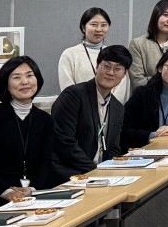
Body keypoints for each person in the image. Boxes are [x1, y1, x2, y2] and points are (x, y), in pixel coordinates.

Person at [0, 56, 56, 206]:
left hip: (33, 195)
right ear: (6, 83)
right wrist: (5, 191)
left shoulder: (45, 120)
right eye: (17, 77)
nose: (25, 81)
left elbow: (45, 162)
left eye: (29, 75)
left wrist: (33, 189)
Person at [51, 45, 131, 179]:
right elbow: (64, 142)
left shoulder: (118, 108)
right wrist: (96, 171)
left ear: (125, 74)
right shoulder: (73, 95)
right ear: (97, 67)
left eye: (117, 69)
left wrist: (108, 170)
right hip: (69, 173)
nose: (111, 73)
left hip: (98, 175)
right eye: (106, 66)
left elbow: (114, 148)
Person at [58, 6, 129, 103]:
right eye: (94, 24)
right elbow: (68, 91)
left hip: (109, 109)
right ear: (83, 27)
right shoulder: (70, 54)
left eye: (104, 25)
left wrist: (106, 106)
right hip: (78, 108)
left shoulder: (116, 54)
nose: (99, 29)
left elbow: (119, 89)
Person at [128, 0, 168, 90]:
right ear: (155, 16)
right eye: (166, 15)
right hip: (146, 96)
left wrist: (152, 79)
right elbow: (137, 81)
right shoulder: (138, 44)